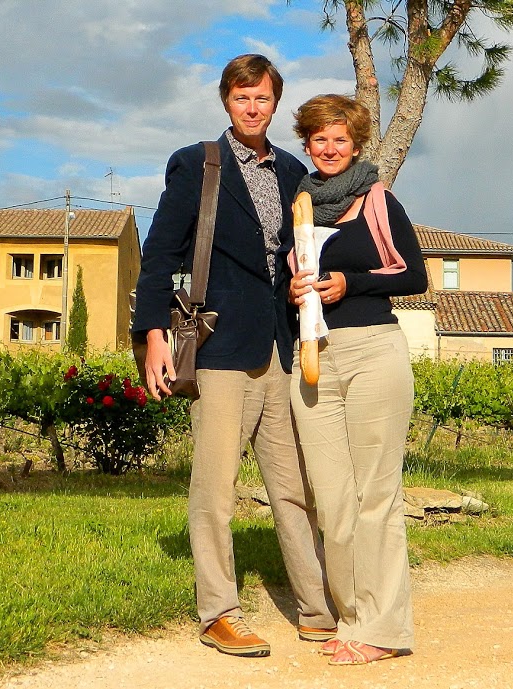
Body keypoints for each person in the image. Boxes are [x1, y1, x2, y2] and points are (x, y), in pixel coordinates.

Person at [131, 54, 336, 658]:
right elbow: (159, 255)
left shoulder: (293, 170)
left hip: (282, 348)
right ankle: (219, 613)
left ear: (276, 104)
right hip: (218, 347)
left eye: (263, 98)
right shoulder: (197, 164)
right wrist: (151, 333)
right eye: (242, 97)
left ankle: (317, 607)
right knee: (215, 490)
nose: (252, 108)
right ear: (226, 100)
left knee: (293, 488)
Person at [286, 93, 427, 666]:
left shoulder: (377, 200)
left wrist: (351, 281)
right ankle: (352, 617)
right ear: (307, 143)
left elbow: (414, 276)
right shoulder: (299, 206)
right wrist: (293, 290)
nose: (329, 148)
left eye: (339, 138)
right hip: (313, 356)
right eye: (319, 138)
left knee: (377, 496)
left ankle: (383, 628)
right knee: (334, 500)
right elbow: (291, 282)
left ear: (356, 143)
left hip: (373, 351)